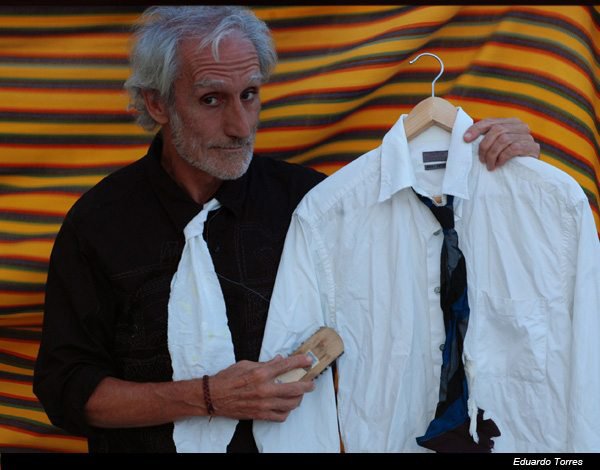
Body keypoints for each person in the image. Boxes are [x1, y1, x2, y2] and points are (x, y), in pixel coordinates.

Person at [33, 5, 541, 453]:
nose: (241, 126)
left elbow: (435, 259)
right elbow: (67, 391)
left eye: (250, 94)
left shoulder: (313, 203)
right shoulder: (99, 223)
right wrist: (206, 397)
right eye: (212, 99)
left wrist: (505, 171)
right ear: (156, 104)